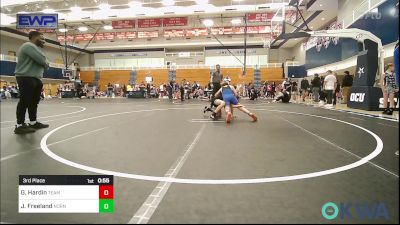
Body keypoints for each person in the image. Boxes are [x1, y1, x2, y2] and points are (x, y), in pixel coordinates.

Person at [13, 31, 50, 134]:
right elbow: (43, 61)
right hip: (26, 77)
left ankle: (33, 122)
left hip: (35, 78)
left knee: (34, 102)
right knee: (25, 101)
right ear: (34, 37)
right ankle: (19, 125)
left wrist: (45, 62)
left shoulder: (36, 48)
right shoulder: (28, 46)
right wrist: (45, 62)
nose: (43, 40)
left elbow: (45, 62)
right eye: (41, 38)